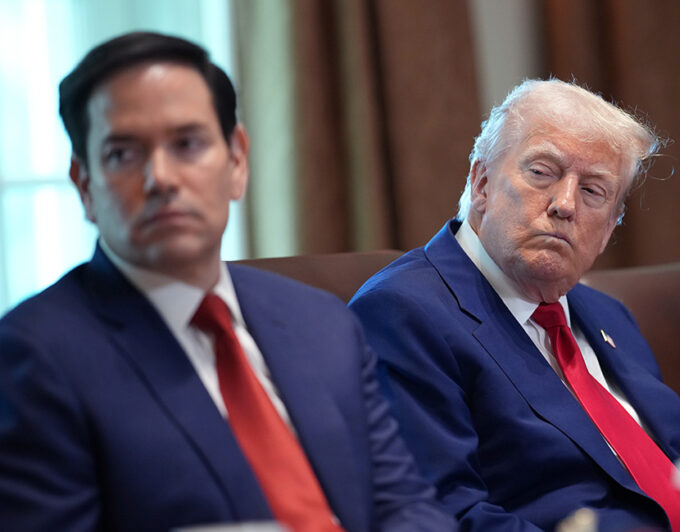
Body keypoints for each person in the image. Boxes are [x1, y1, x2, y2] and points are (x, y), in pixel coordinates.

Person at [0, 32, 455, 532]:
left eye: (187, 144)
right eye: (123, 154)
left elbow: (408, 505)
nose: (161, 177)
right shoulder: (34, 353)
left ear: (237, 160)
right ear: (85, 185)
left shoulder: (323, 320)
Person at [349, 79, 680, 531]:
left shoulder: (611, 318)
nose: (565, 204)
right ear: (482, 183)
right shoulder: (402, 313)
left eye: (594, 190)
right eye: (542, 172)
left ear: (611, 228)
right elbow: (447, 515)